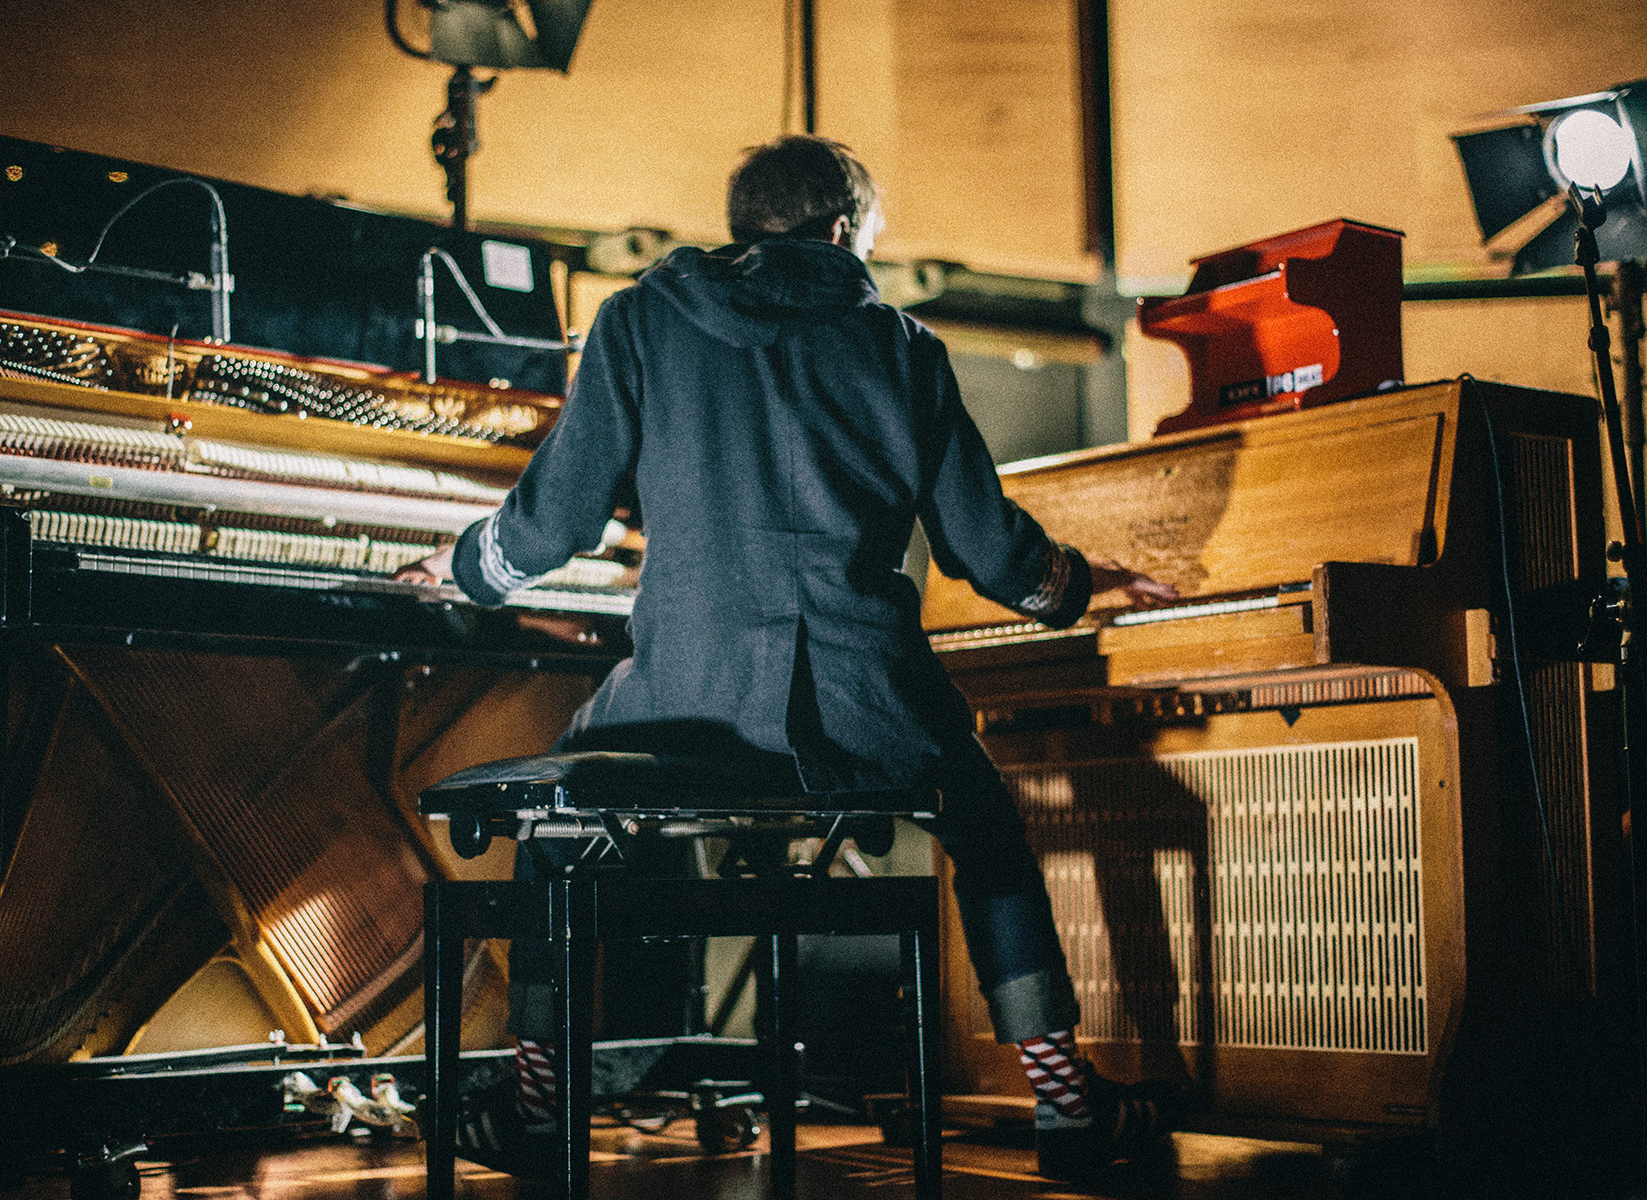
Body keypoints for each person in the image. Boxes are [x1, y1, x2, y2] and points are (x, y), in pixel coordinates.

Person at [397, 134, 1179, 1179]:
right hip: (868, 699)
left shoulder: (638, 320)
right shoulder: (902, 345)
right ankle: (1066, 1103)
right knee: (984, 820)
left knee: (551, 824)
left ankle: (540, 1103)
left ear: (745, 224)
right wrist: (1080, 586)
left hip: (683, 696)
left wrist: (463, 570)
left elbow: (554, 523)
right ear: (845, 227)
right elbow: (988, 550)